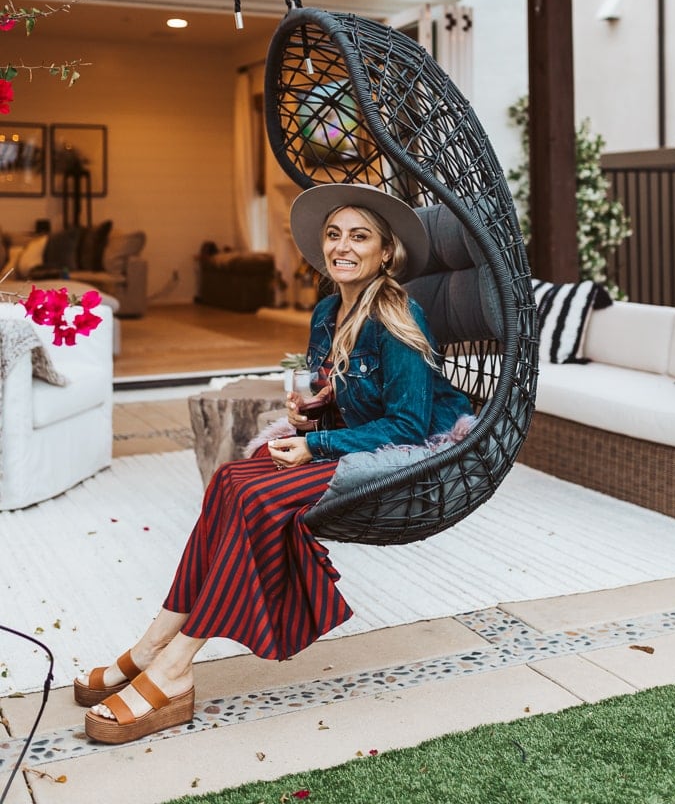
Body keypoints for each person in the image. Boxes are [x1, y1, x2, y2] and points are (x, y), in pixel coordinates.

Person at [75, 182, 471, 744]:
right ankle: (151, 644)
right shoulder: (329, 311)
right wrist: (311, 415)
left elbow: (408, 427)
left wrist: (317, 445)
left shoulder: (395, 315)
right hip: (357, 440)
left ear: (385, 253)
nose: (343, 247)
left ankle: (174, 666)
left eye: (360, 237)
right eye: (334, 235)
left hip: (413, 457)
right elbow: (345, 403)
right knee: (231, 479)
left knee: (260, 499)